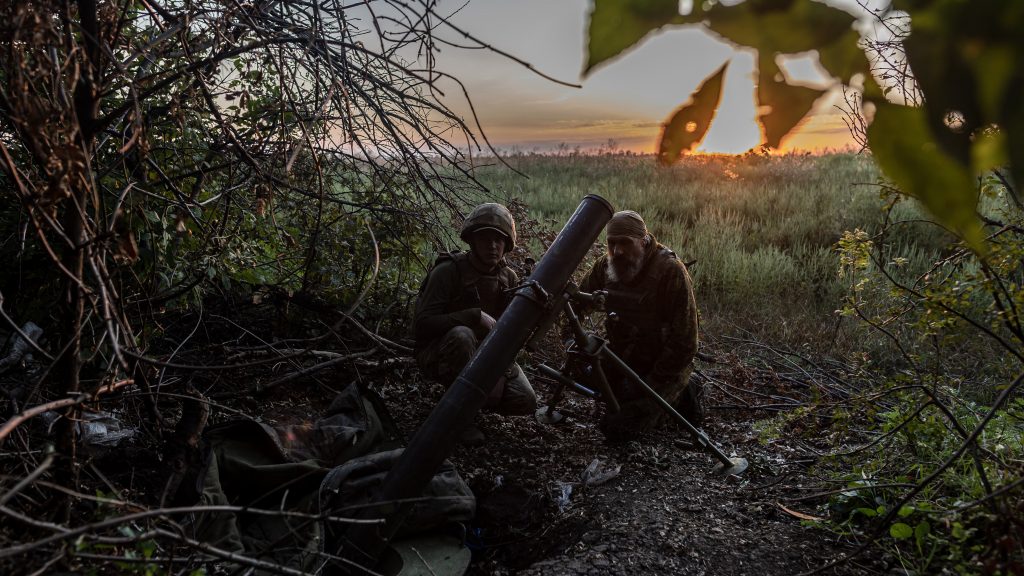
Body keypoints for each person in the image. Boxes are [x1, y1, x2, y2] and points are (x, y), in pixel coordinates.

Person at [412, 203, 537, 442]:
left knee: (525, 400)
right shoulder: (448, 272)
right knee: (462, 335)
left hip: (485, 351)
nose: (493, 246)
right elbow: (422, 325)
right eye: (485, 239)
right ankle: (457, 419)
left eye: (499, 240)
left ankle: (470, 401)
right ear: (472, 241)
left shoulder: (508, 278)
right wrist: (473, 316)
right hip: (439, 351)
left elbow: (510, 331)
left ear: (507, 244)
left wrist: (497, 373)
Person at [577, 210, 703, 441]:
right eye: (612, 243)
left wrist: (650, 383)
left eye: (625, 243)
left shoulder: (670, 271)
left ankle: (686, 391)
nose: (617, 251)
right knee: (582, 374)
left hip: (663, 366)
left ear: (643, 242)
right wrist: (571, 338)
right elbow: (578, 302)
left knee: (618, 429)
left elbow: (686, 342)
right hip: (624, 355)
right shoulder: (604, 266)